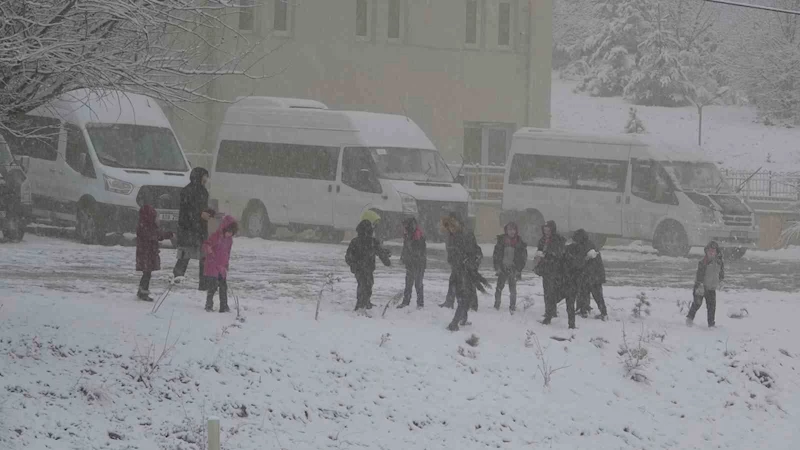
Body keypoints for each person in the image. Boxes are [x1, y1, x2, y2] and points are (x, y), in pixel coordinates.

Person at [443, 215, 489, 331]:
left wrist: (469, 261)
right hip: (458, 269)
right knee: (461, 296)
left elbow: (473, 251)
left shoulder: (466, 235)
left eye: (453, 226)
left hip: (466, 270)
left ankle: (455, 323)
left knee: (464, 297)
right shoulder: (451, 237)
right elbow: (452, 254)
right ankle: (462, 319)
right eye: (449, 227)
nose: (451, 229)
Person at [173, 167, 215, 290]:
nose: (206, 179)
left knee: (204, 258)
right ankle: (175, 281)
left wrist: (210, 213)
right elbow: (187, 211)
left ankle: (204, 285)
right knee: (184, 256)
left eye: (207, 176)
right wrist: (199, 215)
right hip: (188, 229)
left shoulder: (204, 192)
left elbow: (202, 208)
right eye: (204, 176)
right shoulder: (187, 191)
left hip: (201, 230)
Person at [439, 212, 483, 310]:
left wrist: (468, 261)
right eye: (450, 224)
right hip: (457, 262)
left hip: (468, 262)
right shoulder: (450, 234)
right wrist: (451, 259)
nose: (452, 227)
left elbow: (471, 249)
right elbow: (450, 249)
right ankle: (449, 302)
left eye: (454, 222)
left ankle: (473, 305)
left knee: (469, 283)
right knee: (453, 281)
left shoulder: (466, 233)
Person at [346, 220, 391, 311]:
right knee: (365, 285)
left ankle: (365, 302)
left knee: (366, 285)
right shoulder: (369, 241)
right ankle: (360, 305)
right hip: (362, 268)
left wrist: (386, 257)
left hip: (364, 268)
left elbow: (380, 252)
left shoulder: (359, 241)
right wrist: (386, 260)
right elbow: (349, 257)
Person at [135, 195, 174, 301]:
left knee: (147, 273)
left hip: (147, 254)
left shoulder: (147, 227)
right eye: (156, 217)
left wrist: (168, 234)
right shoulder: (147, 228)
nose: (158, 219)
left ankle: (142, 291)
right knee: (146, 273)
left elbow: (158, 235)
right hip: (146, 254)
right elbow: (156, 236)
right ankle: (143, 292)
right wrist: (167, 235)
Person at [202, 215, 238, 313]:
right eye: (228, 232)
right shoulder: (216, 236)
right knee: (212, 287)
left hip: (222, 267)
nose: (229, 234)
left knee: (223, 287)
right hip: (213, 265)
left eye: (232, 233)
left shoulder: (229, 240)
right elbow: (206, 244)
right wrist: (209, 251)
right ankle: (208, 305)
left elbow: (228, 253)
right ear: (224, 228)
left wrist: (226, 264)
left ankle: (224, 306)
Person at [571, 229, 608, 320]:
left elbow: (580, 262)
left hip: (591, 276)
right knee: (596, 295)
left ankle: (586, 310)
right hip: (594, 276)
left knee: (588, 294)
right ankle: (600, 312)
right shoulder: (589, 244)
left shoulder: (584, 247)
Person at [686, 241, 725, 328]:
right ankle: (689, 319)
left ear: (716, 252)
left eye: (713, 251)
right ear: (706, 251)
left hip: (711, 288)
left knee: (712, 307)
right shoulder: (703, 262)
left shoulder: (719, 262)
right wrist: (699, 285)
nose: (711, 253)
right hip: (701, 287)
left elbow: (721, 273)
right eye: (709, 251)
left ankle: (711, 324)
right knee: (697, 303)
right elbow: (699, 275)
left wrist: (721, 280)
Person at [534, 220, 566, 325]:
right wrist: (538, 257)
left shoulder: (557, 240)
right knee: (547, 290)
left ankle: (550, 312)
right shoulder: (542, 240)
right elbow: (539, 250)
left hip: (554, 269)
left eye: (548, 229)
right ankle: (549, 310)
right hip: (545, 269)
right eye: (545, 229)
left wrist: (547, 255)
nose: (546, 231)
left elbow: (558, 254)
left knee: (552, 291)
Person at [492, 222, 527, 313]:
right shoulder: (501, 241)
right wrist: (497, 267)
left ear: (516, 231)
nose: (512, 232)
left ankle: (512, 306)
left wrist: (519, 269)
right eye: (509, 230)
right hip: (503, 267)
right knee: (499, 287)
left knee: (513, 289)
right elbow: (496, 255)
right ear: (506, 231)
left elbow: (523, 258)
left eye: (513, 230)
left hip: (513, 268)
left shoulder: (519, 242)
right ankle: (497, 304)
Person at [399, 217, 426, 309]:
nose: (404, 228)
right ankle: (406, 301)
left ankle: (420, 303)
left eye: (405, 226)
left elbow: (419, 252)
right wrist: (403, 258)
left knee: (418, 283)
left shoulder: (418, 236)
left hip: (418, 264)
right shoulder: (407, 235)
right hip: (410, 263)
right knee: (408, 283)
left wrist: (413, 259)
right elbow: (405, 248)